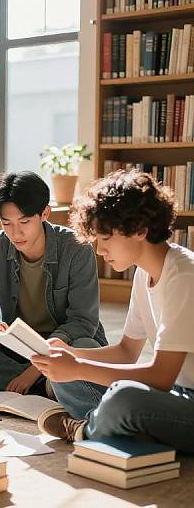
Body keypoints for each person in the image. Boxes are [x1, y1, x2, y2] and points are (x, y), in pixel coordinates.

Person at [33, 170, 194, 452]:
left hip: (184, 398)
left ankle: (86, 429)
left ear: (140, 230)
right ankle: (123, 428)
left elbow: (160, 376)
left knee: (125, 398)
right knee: (66, 378)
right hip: (176, 395)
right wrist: (71, 357)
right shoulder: (145, 274)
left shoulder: (184, 275)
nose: (99, 250)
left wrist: (80, 366)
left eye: (105, 238)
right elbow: (126, 352)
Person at [0, 171, 107, 394]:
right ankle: (45, 386)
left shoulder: (76, 248)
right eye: (7, 223)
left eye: (24, 221)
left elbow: (83, 322)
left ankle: (0, 379)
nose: (16, 233)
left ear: (45, 213)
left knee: (87, 346)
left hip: (62, 346)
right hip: (16, 345)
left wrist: (33, 369)